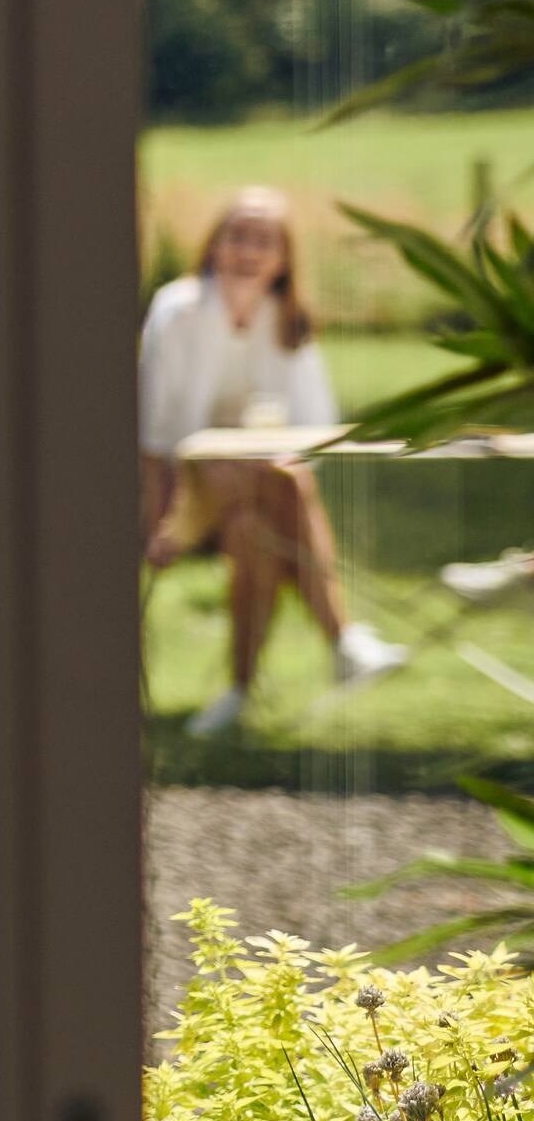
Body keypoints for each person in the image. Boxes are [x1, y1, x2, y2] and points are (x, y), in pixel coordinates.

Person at [138, 187, 401, 737]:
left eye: (264, 241)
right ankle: (342, 641)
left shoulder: (289, 321)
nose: (248, 251)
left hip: (258, 494)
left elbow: (312, 427)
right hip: (179, 498)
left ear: (283, 259)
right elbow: (155, 437)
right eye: (238, 236)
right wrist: (160, 522)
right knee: (278, 479)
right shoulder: (177, 310)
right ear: (214, 246)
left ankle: (236, 695)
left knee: (255, 527)